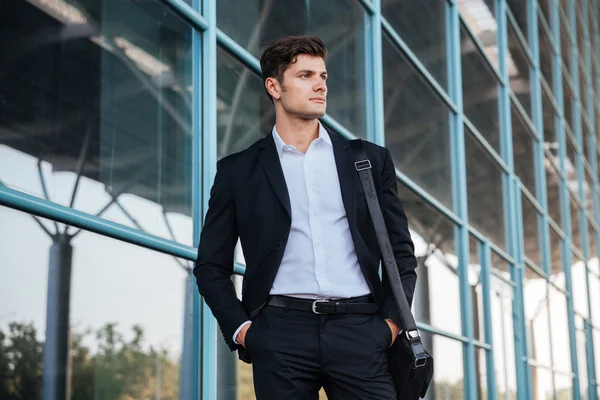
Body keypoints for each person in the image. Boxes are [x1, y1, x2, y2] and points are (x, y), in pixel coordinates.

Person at [194, 35, 418, 399]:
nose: (319, 85)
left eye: (323, 76)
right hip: (280, 334)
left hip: (361, 330)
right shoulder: (238, 171)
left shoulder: (368, 161)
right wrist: (244, 330)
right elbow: (211, 265)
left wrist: (390, 325)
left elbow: (401, 252)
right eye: (305, 75)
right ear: (274, 86)